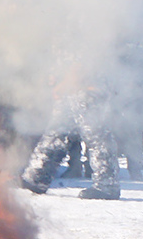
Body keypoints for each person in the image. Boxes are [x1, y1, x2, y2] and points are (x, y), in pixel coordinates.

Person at [21, 62, 121, 200]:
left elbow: (82, 56)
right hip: (74, 83)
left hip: (89, 83)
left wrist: (67, 81)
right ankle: (38, 177)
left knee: (96, 132)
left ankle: (107, 184)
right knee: (58, 131)